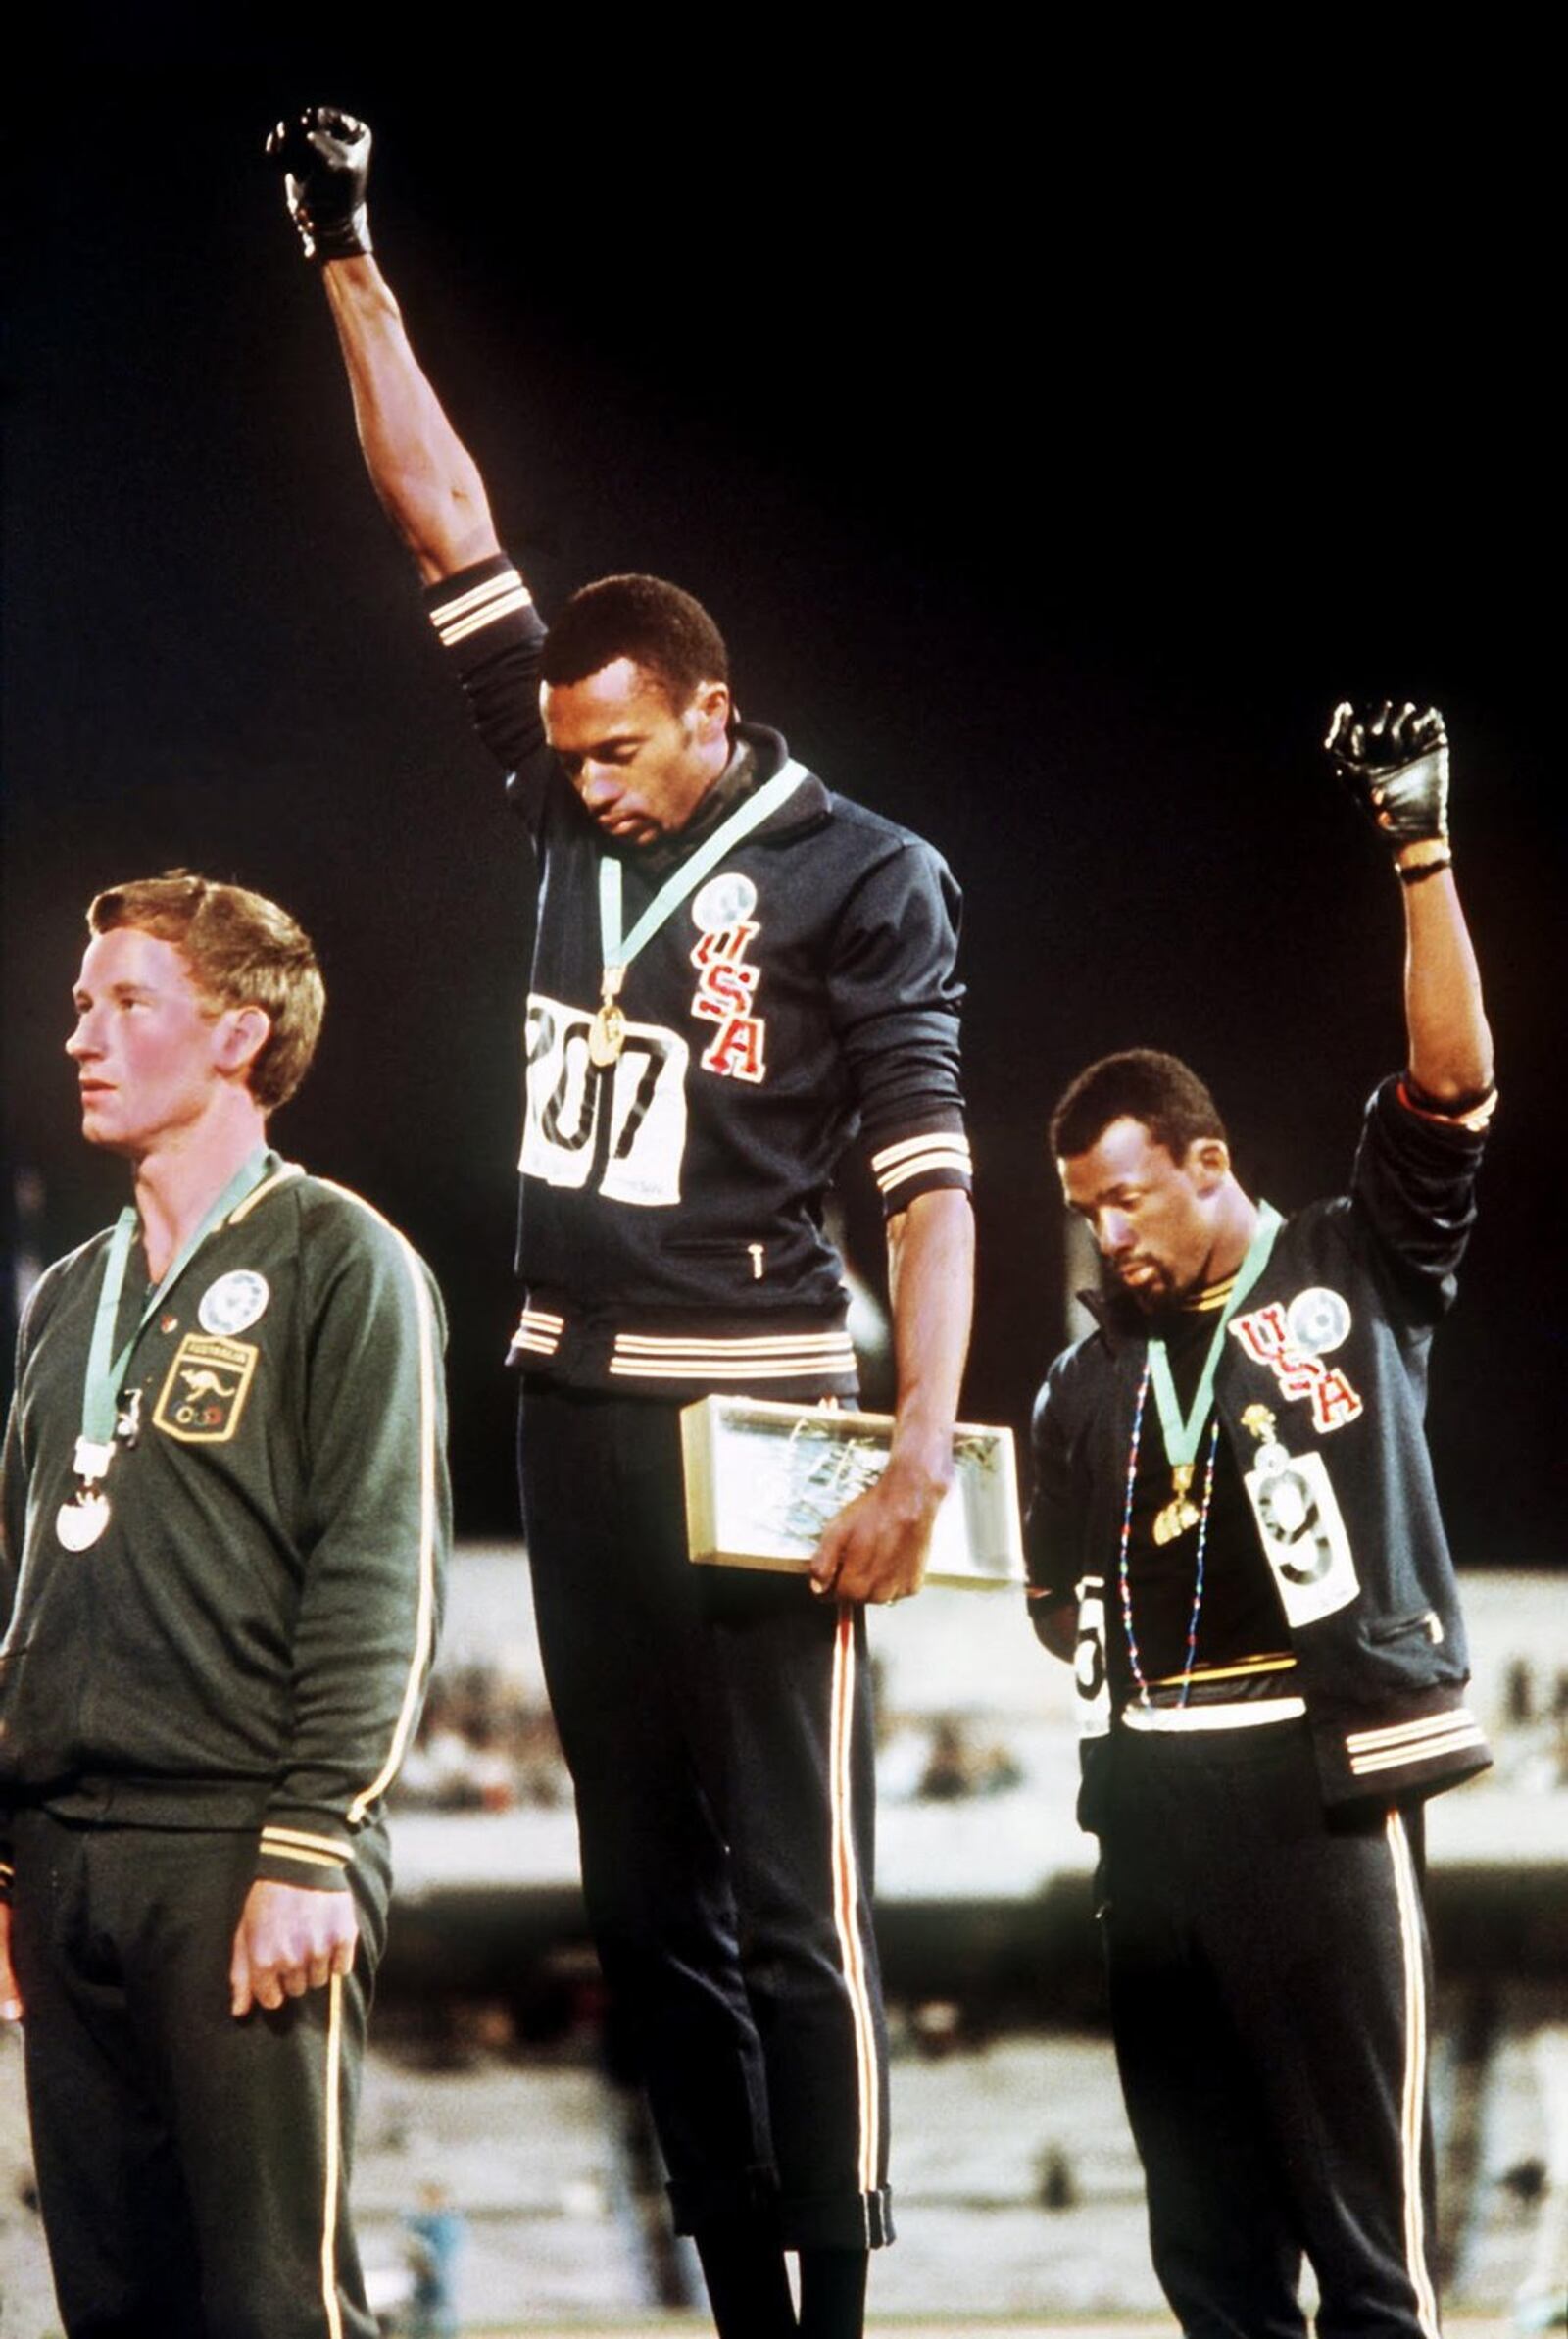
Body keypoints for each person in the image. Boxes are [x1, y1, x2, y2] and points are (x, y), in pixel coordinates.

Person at [267, 108, 975, 2339]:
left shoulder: (870, 873)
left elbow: (927, 1182)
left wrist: (922, 1445)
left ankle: (840, 2312)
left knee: (796, 1894)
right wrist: (346, 256)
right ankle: (739, 2307)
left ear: (710, 712)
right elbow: (442, 518)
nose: (575, 788)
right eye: (562, 757)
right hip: (569, 1401)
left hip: (765, 1410)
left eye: (616, 758)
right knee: (641, 1888)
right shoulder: (557, 771)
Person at [1025, 700, 1494, 2338]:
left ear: (1209, 1162)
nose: (1106, 1234)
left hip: (1318, 1788)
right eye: (1084, 1207)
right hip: (1145, 1803)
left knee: (1364, 2249)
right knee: (1208, 2258)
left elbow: (1452, 1082)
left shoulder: (1354, 1269)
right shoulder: (1081, 1383)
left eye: (1128, 1195)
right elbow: (1044, 1600)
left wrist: (1417, 843)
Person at [0, 873, 450, 2339]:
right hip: (64, 1856)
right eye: (83, 1004)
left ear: (239, 1033)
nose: (83, 1034)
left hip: (245, 1847)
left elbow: (381, 1569)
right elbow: (16, 1585)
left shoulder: (344, 1260)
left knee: (276, 2307)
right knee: (113, 2307)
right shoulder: (67, 1293)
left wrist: (315, 1839)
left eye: (128, 1002)